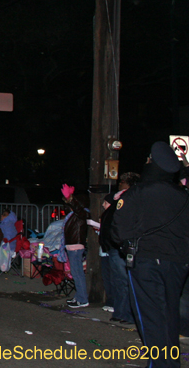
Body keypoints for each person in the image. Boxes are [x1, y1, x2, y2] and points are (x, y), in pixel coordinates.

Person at [112, 141, 189, 368]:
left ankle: (158, 364)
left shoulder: (139, 193)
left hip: (146, 262)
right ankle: (170, 363)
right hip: (178, 263)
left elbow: (118, 231)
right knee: (169, 314)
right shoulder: (183, 196)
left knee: (150, 316)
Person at [98, 172, 138, 326]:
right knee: (118, 281)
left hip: (122, 246)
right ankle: (120, 312)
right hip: (114, 246)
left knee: (124, 281)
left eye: (121, 182)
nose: (119, 184)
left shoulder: (129, 199)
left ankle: (127, 314)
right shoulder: (119, 199)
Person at [61, 186, 89, 309]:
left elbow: (77, 208)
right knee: (76, 272)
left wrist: (70, 198)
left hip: (76, 247)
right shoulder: (75, 214)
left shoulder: (82, 213)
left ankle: (82, 299)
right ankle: (78, 297)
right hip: (73, 246)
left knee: (77, 273)